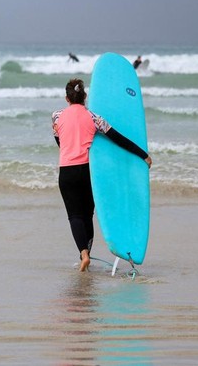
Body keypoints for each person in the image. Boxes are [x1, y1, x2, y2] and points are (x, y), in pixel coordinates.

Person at [52, 79, 152, 272]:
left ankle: (83, 254)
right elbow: (119, 139)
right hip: (87, 172)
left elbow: (60, 140)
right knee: (87, 214)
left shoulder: (56, 116)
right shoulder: (94, 118)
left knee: (74, 215)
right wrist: (143, 155)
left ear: (67, 98)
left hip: (66, 171)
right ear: (85, 97)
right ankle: (86, 252)